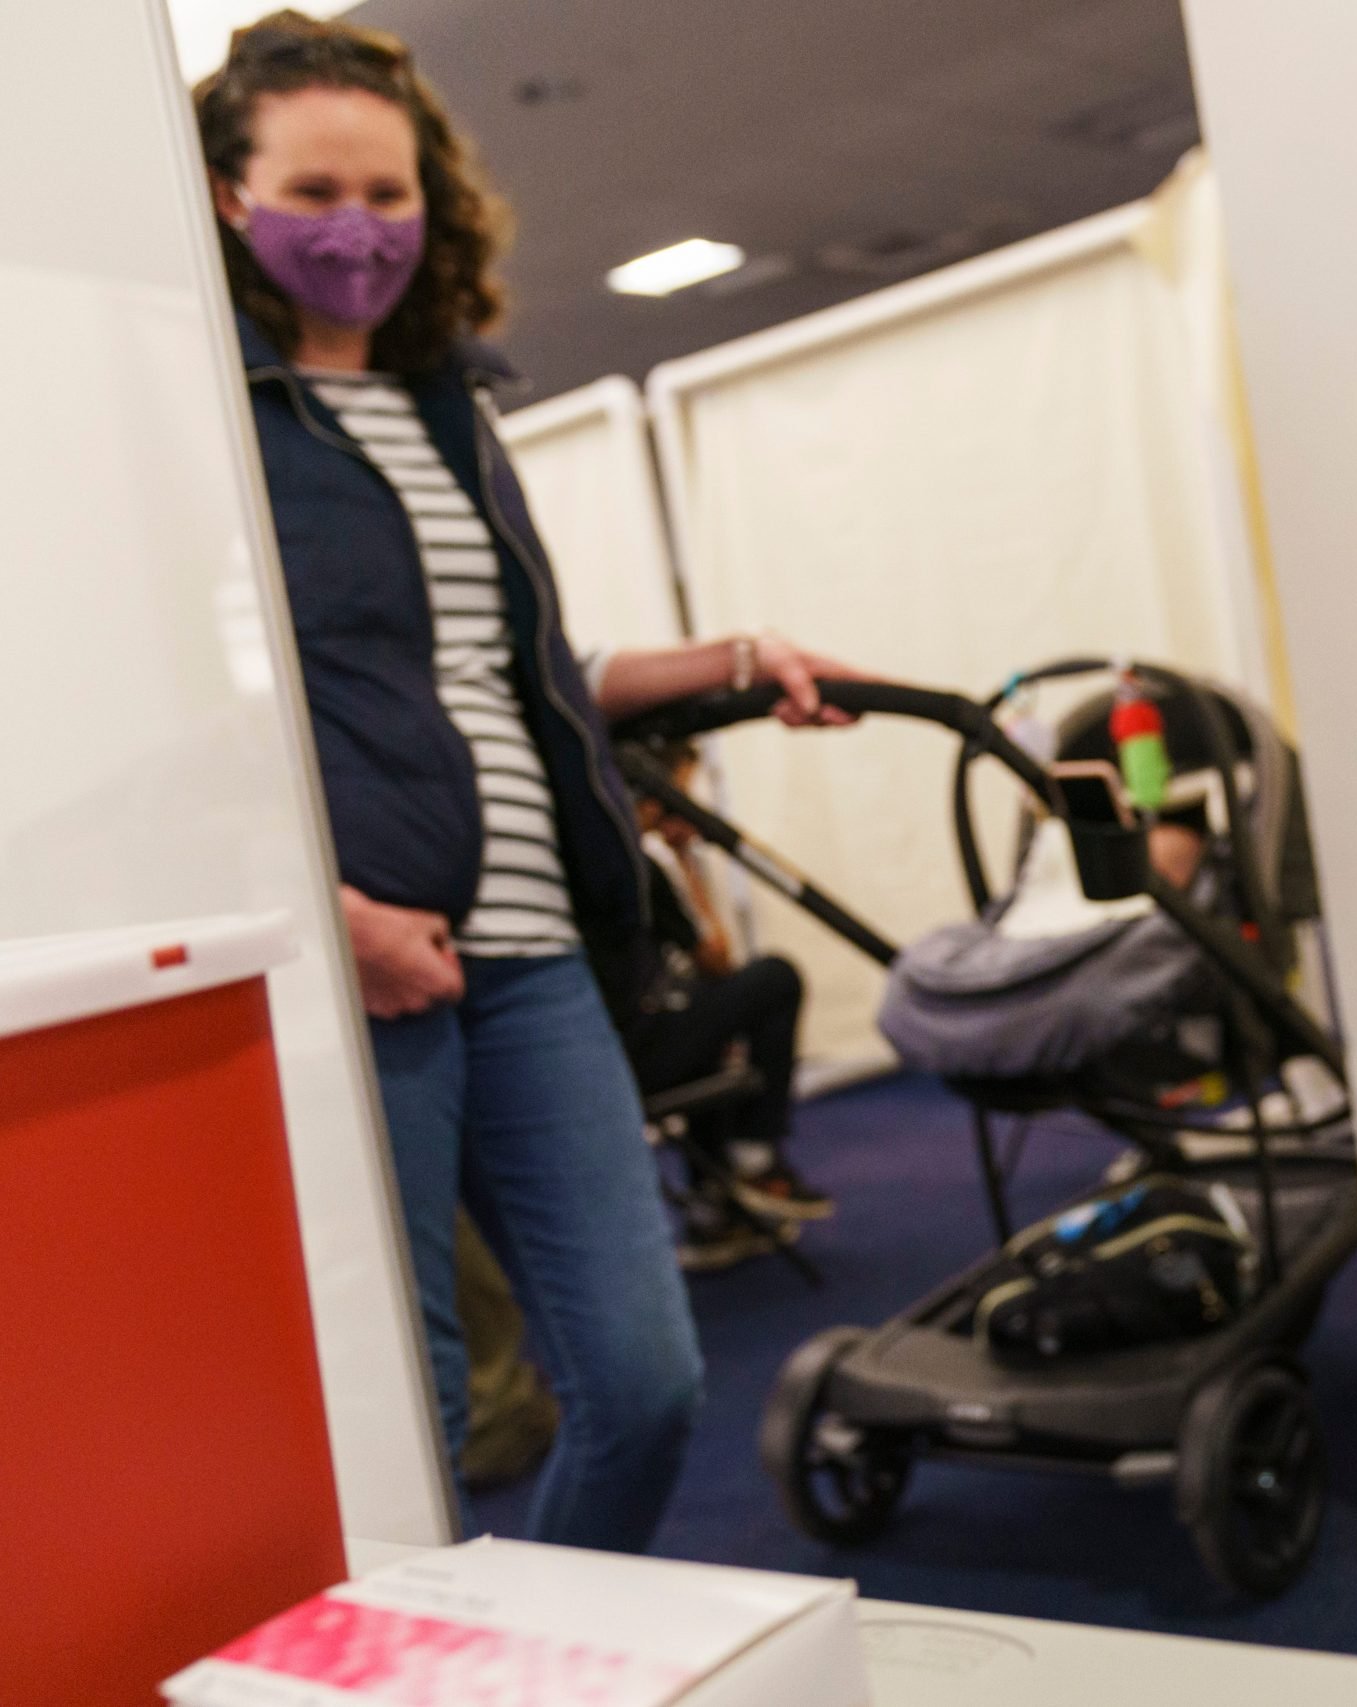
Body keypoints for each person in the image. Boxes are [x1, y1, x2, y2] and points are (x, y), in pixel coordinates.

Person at [195, 11, 862, 1550]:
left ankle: (537, 1639)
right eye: (317, 191)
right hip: (370, 962)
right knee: (413, 1418)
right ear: (232, 198)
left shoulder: (452, 405)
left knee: (641, 1381)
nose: (359, 228)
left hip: (540, 945)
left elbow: (524, 669)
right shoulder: (218, 424)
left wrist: (733, 657)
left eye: (388, 191)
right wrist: (332, 911)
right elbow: (204, 730)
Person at [624, 742, 831, 1270]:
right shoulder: (644, 864)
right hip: (639, 1056)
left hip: (622, 1051)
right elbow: (717, 959)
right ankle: (754, 1155)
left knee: (709, 1021)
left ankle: (714, 1215)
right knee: (774, 978)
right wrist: (689, 859)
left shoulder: (605, 861)